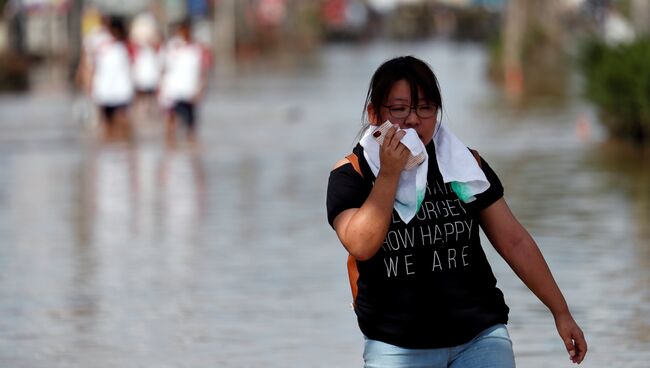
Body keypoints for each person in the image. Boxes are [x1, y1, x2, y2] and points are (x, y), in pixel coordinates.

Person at [326, 56, 587, 368]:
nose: (412, 120)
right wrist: (389, 175)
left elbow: (513, 241)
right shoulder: (353, 174)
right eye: (398, 109)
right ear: (374, 113)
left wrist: (561, 311)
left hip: (479, 337)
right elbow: (361, 244)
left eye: (424, 108)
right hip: (395, 345)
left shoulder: (463, 167)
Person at [158, 18, 211, 143]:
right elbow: (162, 69)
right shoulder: (169, 48)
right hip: (172, 91)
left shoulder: (197, 49)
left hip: (190, 92)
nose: (184, 33)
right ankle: (170, 149)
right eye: (182, 31)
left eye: (186, 30)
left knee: (191, 125)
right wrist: (161, 89)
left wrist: (201, 89)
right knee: (171, 122)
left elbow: (203, 71)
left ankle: (192, 151)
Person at [88, 15, 134, 139]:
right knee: (107, 122)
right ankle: (111, 151)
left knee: (123, 120)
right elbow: (94, 65)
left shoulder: (126, 45)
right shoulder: (100, 44)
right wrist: (90, 83)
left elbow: (133, 65)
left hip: (122, 89)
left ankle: (124, 148)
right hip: (104, 90)